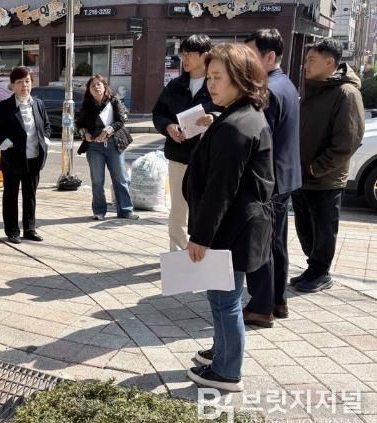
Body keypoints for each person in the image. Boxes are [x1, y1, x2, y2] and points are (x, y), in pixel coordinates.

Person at [184, 43, 274, 392]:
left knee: (225, 302)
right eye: (209, 77)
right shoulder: (242, 115)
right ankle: (222, 351)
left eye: (218, 77)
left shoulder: (236, 126)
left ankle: (226, 371)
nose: (211, 84)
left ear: (241, 78)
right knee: (224, 299)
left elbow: (221, 189)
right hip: (235, 227)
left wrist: (201, 237)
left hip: (229, 230)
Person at [291, 38, 365, 293]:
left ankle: (321, 273)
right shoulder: (314, 89)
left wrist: (316, 168)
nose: (306, 65)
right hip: (302, 174)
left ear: (330, 62)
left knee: (323, 229)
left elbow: (348, 140)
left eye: (311, 60)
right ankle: (312, 269)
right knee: (305, 228)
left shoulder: (346, 94)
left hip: (325, 178)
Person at [242, 29, 301, 327]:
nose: (246, 62)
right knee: (277, 241)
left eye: (251, 55)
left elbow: (258, 140)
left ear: (270, 57)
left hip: (268, 180)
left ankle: (262, 306)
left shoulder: (268, 91)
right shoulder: (286, 84)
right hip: (284, 176)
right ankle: (278, 300)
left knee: (262, 243)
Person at [152, 34, 216, 251]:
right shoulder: (175, 85)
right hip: (179, 155)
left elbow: (230, 110)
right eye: (182, 54)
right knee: (178, 209)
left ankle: (204, 252)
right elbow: (159, 113)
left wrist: (214, 117)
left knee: (206, 208)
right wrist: (168, 126)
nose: (184, 59)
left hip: (208, 157)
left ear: (205, 55)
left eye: (189, 54)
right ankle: (177, 255)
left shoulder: (217, 82)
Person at [0, 66, 51, 244]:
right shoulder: (5, 106)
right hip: (13, 159)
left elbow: (46, 125)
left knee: (30, 195)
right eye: (19, 82)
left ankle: (30, 229)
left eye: (27, 81)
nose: (24, 85)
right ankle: (12, 231)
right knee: (11, 196)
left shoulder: (38, 104)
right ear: (12, 85)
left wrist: (45, 140)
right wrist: (7, 144)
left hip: (34, 158)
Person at [76, 75, 138, 221]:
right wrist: (85, 133)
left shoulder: (114, 101)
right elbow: (79, 124)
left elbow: (121, 120)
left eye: (99, 84)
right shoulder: (87, 105)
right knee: (97, 181)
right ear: (89, 90)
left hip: (114, 145)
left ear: (104, 87)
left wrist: (108, 130)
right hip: (94, 147)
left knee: (120, 178)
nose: (96, 87)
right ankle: (99, 211)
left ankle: (125, 210)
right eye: (92, 86)